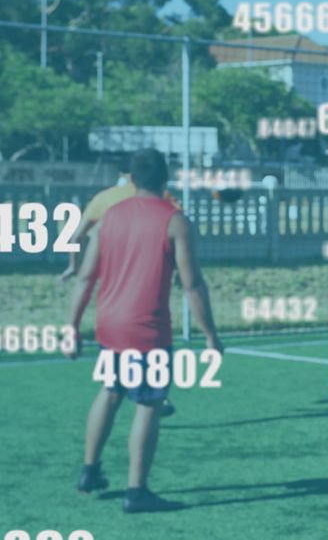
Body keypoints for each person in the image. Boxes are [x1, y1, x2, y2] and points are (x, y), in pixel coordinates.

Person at [68, 148, 224, 513]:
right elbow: (193, 285)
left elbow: (85, 278)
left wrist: (71, 327)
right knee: (149, 405)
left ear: (132, 179)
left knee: (109, 392)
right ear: (165, 178)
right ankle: (136, 492)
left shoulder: (109, 219)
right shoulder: (175, 221)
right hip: (147, 331)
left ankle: (89, 473)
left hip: (109, 327)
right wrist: (211, 335)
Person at [60, 154, 181, 417]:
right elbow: (176, 233)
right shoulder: (164, 198)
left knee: (111, 387)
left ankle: (92, 458)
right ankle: (155, 399)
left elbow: (76, 235)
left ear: (128, 175)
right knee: (149, 383)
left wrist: (74, 264)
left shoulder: (105, 198)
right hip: (147, 295)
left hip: (112, 298)